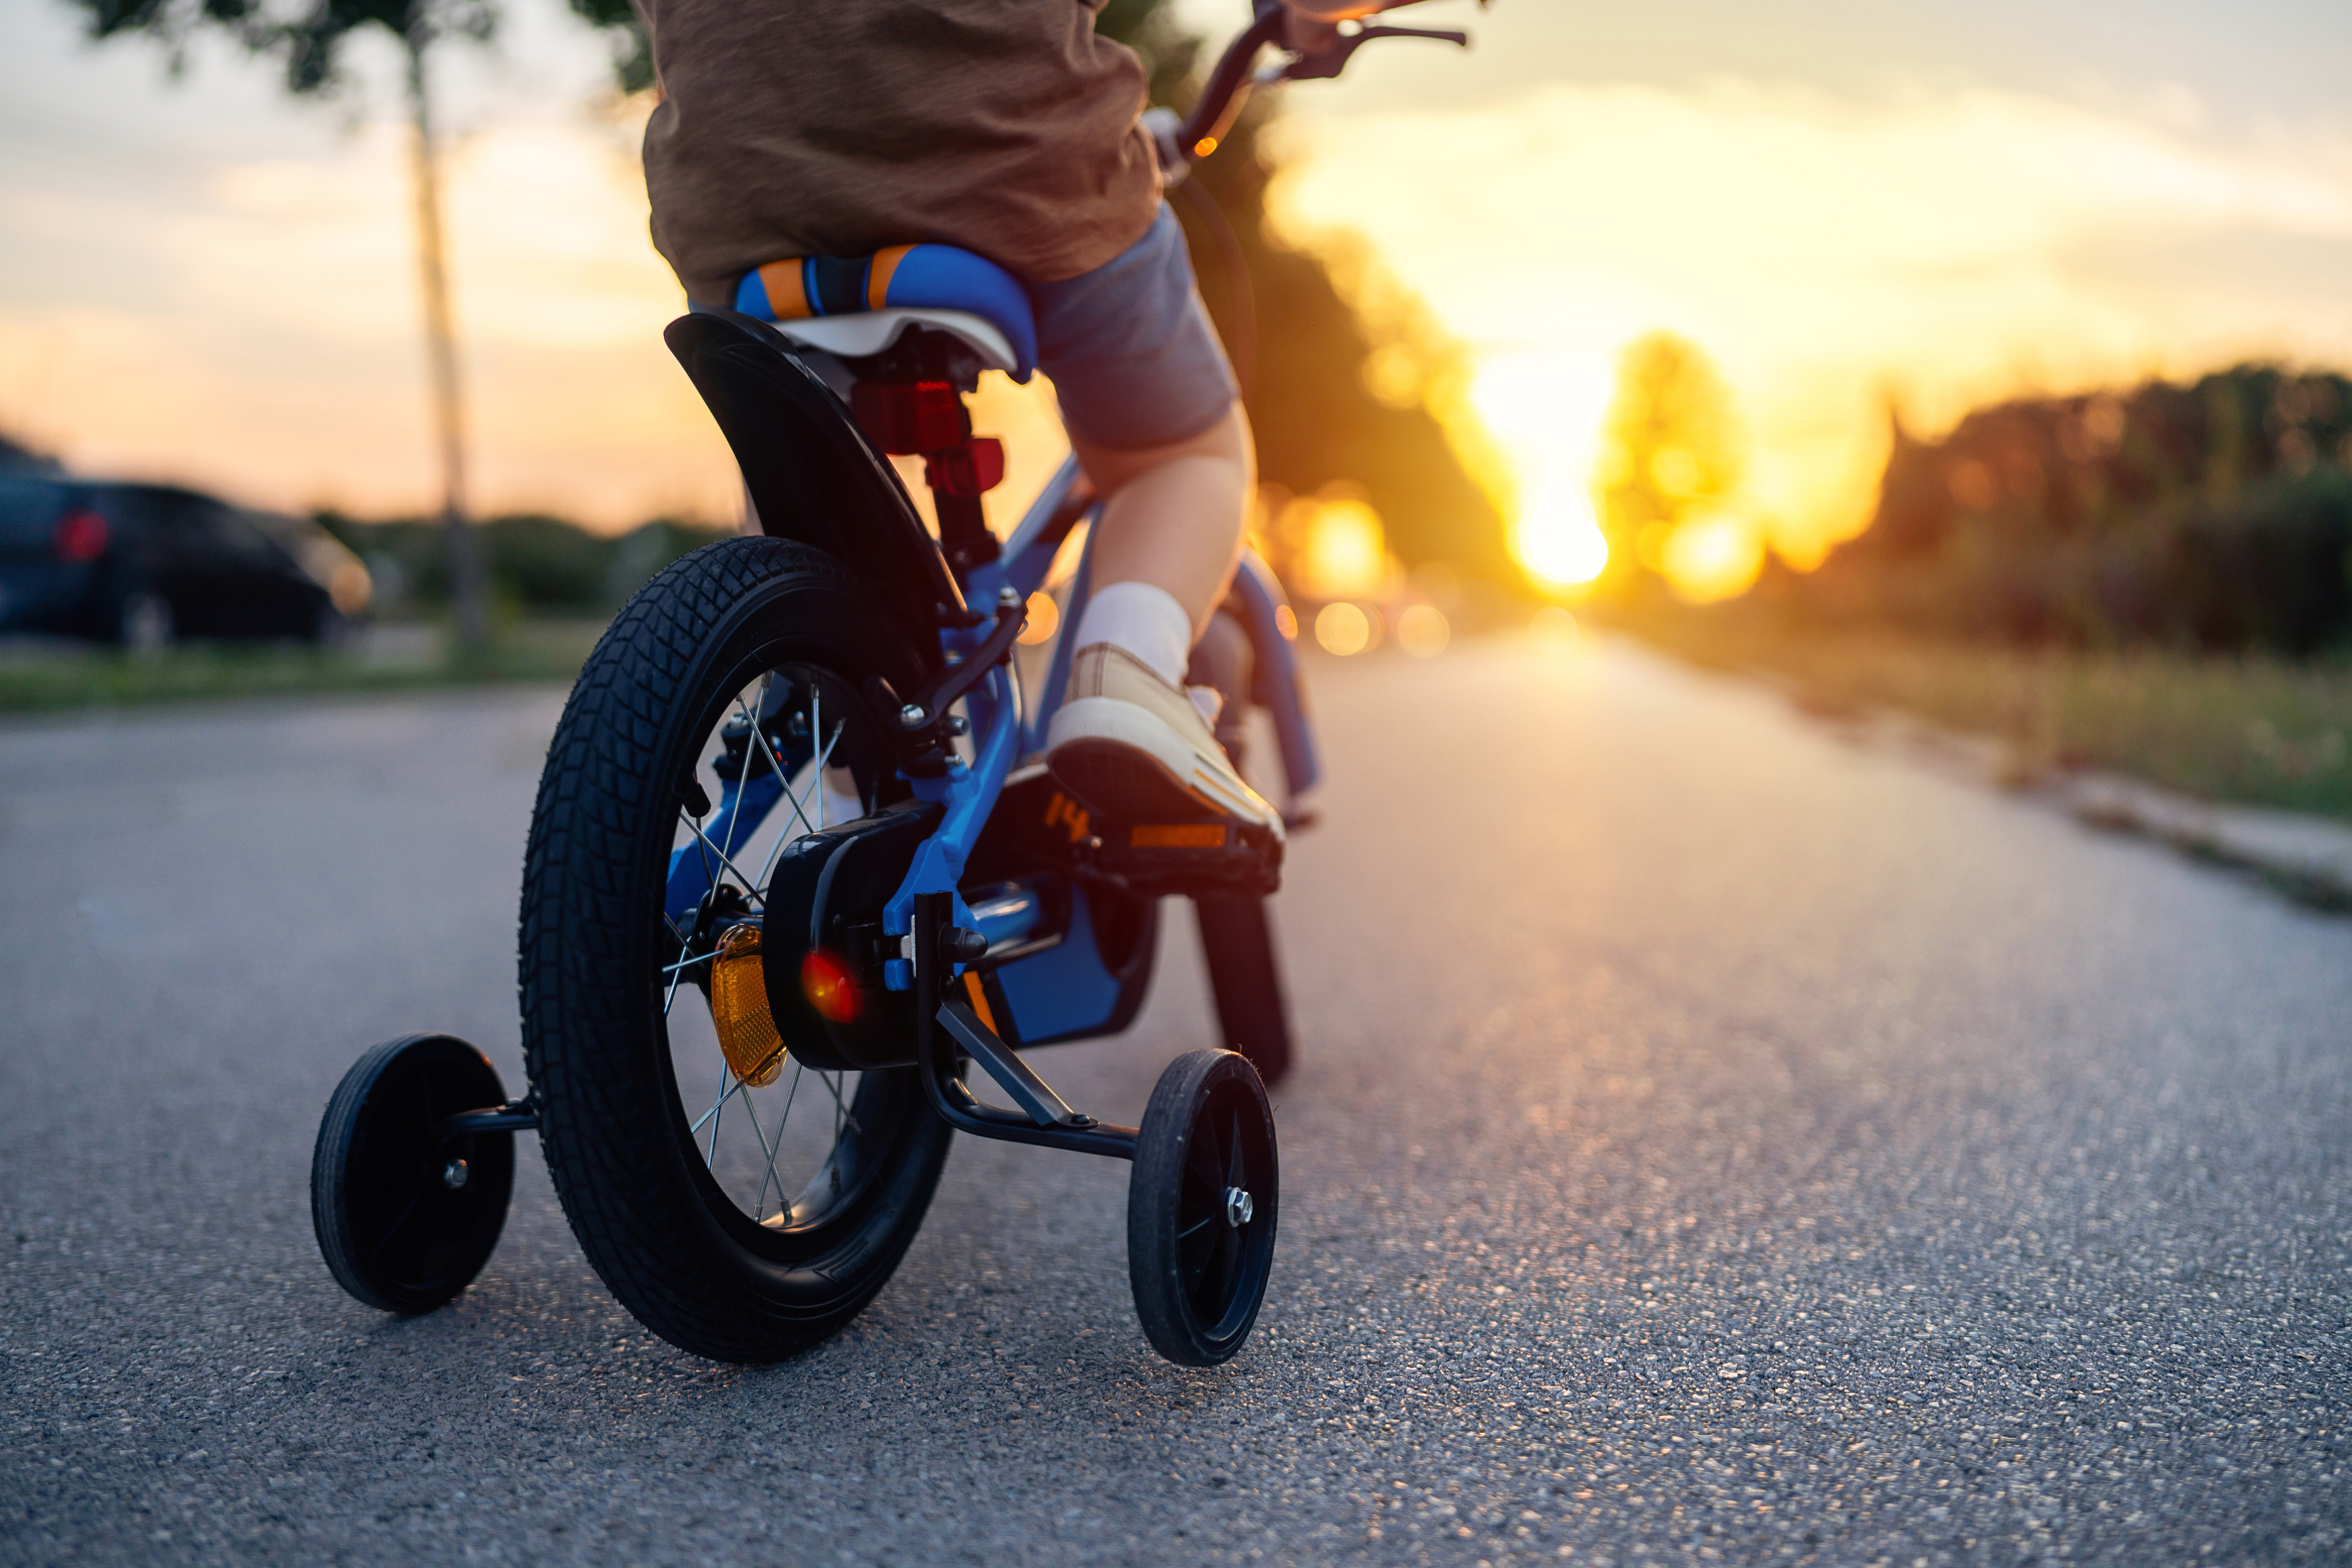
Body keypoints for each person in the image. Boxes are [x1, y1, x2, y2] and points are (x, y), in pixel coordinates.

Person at [629, 0, 1409, 834]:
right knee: (1179, 453)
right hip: (1021, 177)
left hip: (740, 211)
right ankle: (1128, 668)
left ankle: (828, 717)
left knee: (796, 461)